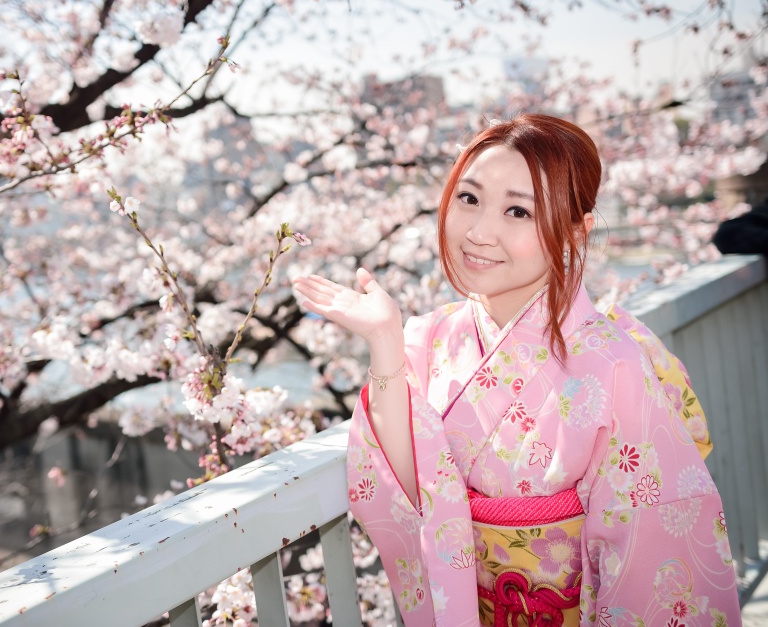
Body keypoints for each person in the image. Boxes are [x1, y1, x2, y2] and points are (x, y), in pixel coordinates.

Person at [293, 114, 741, 626]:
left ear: (576, 230)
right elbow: (410, 487)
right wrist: (383, 341)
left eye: (517, 211)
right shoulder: (425, 340)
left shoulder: (612, 361)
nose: (480, 232)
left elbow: (650, 550)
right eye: (469, 199)